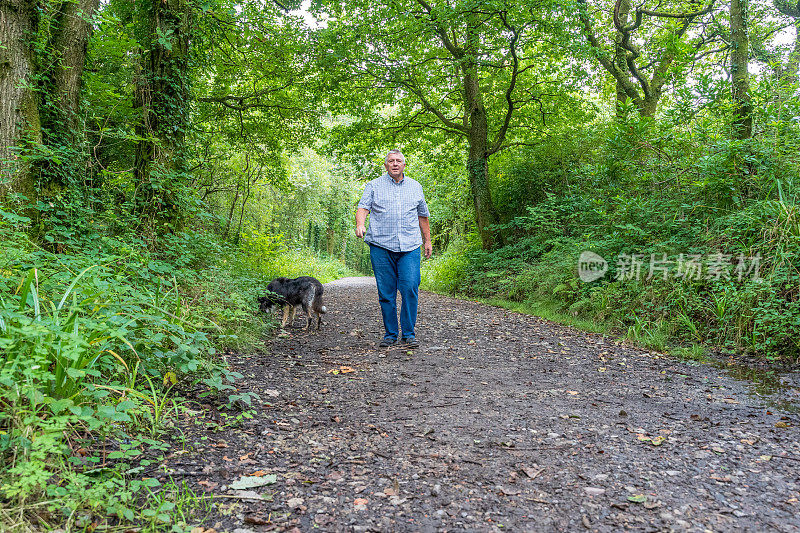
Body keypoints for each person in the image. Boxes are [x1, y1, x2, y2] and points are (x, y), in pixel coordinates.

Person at [355, 150, 432, 348]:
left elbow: (423, 215)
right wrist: (360, 224)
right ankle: (390, 334)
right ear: (386, 165)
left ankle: (408, 333)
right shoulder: (374, 185)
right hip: (381, 246)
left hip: (410, 246)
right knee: (386, 292)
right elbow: (363, 207)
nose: (395, 164)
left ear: (404, 165)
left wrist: (428, 241)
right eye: (391, 161)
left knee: (410, 287)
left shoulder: (415, 187)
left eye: (399, 161)